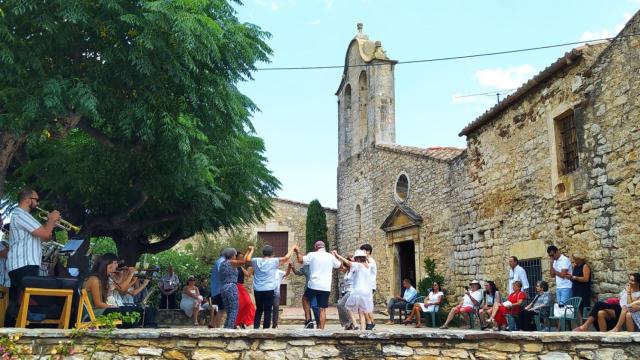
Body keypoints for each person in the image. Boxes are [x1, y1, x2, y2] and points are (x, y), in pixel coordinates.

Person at [5, 188, 60, 326]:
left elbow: (43, 238)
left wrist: (49, 225)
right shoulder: (21, 214)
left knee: (17, 301)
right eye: (36, 200)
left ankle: (9, 331)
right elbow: (46, 234)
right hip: (24, 263)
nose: (38, 203)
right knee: (29, 300)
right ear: (27, 199)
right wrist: (51, 220)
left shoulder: (21, 216)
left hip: (21, 264)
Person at [83, 253, 145, 327]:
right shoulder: (94, 280)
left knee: (138, 310)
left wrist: (109, 290)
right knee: (127, 312)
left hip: (101, 310)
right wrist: (113, 307)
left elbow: (104, 299)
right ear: (108, 265)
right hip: (93, 313)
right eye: (115, 263)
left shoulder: (104, 279)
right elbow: (98, 304)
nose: (117, 265)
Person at [246, 244, 297, 329]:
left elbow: (247, 260)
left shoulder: (256, 260)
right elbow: (286, 258)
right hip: (269, 289)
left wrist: (251, 250)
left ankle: (256, 329)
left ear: (263, 253)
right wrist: (292, 248)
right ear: (272, 253)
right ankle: (266, 330)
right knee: (268, 310)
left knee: (259, 309)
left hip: (258, 289)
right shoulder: (274, 261)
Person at [296, 241, 341, 330]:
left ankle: (308, 320)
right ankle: (322, 331)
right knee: (322, 309)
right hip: (326, 286)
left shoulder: (312, 254)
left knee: (305, 299)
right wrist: (335, 256)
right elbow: (339, 265)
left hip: (314, 284)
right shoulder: (330, 256)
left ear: (316, 247)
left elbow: (300, 260)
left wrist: (297, 252)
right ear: (324, 247)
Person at [333, 249, 372, 331]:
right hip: (367, 292)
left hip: (358, 291)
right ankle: (362, 329)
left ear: (358, 258)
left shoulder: (359, 265)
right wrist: (365, 255)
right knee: (362, 311)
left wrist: (338, 256)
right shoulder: (368, 266)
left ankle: (354, 324)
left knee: (348, 307)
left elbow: (348, 263)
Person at [219, 247, 252, 329]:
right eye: (234, 255)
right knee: (234, 309)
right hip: (231, 286)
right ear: (232, 255)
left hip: (223, 287)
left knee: (229, 310)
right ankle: (229, 329)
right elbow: (243, 262)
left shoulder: (222, 263)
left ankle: (226, 328)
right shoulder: (230, 262)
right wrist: (248, 251)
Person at [291, 262, 320, 328]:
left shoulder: (319, 266)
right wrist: (292, 267)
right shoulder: (306, 266)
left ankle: (318, 323)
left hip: (317, 289)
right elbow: (297, 273)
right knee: (307, 306)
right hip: (308, 290)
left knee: (314, 306)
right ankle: (309, 322)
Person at [235, 251, 255, 328]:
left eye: (242, 257)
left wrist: (252, 266)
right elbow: (243, 261)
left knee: (248, 303)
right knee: (240, 305)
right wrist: (248, 251)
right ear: (236, 257)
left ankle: (242, 321)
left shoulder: (240, 267)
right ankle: (238, 322)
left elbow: (247, 274)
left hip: (241, 287)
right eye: (240, 257)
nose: (242, 258)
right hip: (235, 286)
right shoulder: (234, 265)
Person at [336, 261, 358, 330]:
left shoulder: (352, 272)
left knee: (340, 304)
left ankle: (348, 323)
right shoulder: (347, 273)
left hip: (351, 292)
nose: (341, 269)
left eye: (342, 267)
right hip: (346, 291)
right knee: (346, 308)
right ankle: (351, 324)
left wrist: (338, 256)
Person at [360, 244, 377, 330]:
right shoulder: (366, 260)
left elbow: (367, 267)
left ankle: (370, 322)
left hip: (370, 286)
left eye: (363, 251)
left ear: (368, 251)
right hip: (366, 286)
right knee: (366, 305)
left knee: (365, 305)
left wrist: (364, 258)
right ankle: (371, 323)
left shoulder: (371, 261)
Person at [570, 253, 592, 323]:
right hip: (576, 289)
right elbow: (574, 277)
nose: (574, 261)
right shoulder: (575, 267)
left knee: (583, 308)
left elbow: (586, 279)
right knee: (577, 308)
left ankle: (583, 325)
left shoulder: (585, 266)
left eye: (576, 259)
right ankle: (580, 324)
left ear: (580, 259)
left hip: (583, 290)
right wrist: (570, 278)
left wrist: (574, 277)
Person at [271, 262, 291, 328]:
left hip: (276, 292)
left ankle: (275, 324)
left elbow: (286, 274)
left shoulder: (279, 272)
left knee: (276, 307)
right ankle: (267, 323)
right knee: (267, 308)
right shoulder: (267, 271)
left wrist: (289, 268)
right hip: (267, 292)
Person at [210, 252, 225, 328]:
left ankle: (213, 324)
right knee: (221, 309)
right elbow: (221, 272)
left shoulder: (218, 261)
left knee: (219, 308)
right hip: (219, 289)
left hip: (216, 290)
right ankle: (218, 326)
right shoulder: (221, 261)